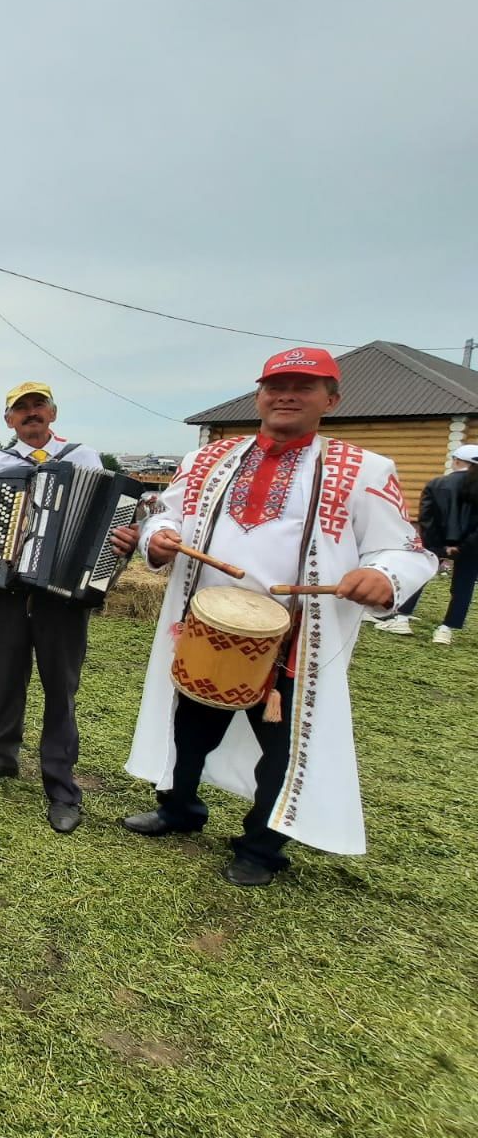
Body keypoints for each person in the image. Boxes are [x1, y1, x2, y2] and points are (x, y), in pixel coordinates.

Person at [123, 348, 437, 886]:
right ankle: (179, 809)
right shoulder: (209, 459)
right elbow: (164, 516)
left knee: (282, 748)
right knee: (189, 728)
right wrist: (159, 539)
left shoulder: (364, 469)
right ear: (260, 394)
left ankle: (262, 847)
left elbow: (409, 551)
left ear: (331, 400)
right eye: (276, 385)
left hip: (293, 638)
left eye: (304, 386)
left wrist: (385, 576)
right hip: (206, 628)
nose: (286, 395)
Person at [0, 382, 136, 833]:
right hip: (8, 586)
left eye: (38, 406)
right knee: (8, 676)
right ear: (8, 419)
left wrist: (121, 541)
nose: (31, 414)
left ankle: (61, 787)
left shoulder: (84, 457)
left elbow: (105, 517)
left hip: (64, 594)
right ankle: (3, 757)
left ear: (52, 412)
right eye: (22, 409)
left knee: (61, 689)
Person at [415, 443, 478, 646]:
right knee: (463, 585)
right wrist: (463, 546)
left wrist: (441, 547)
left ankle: (401, 618)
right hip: (472, 548)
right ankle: (446, 630)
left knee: (420, 575)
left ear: (457, 461)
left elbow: (427, 519)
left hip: (437, 544)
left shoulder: (436, 483)